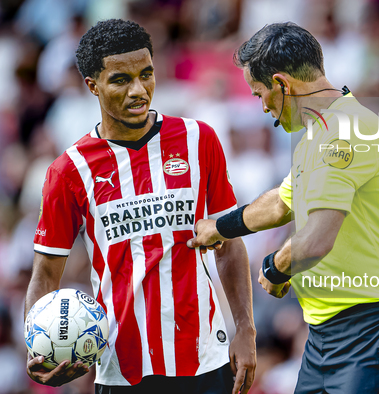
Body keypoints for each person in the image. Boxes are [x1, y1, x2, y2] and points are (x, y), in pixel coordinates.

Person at [188, 22, 379, 394]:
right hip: (325, 336)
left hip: (373, 326)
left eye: (259, 93)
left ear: (282, 84)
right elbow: (281, 203)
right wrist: (220, 226)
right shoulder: (319, 134)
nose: (262, 106)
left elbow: (316, 239)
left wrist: (275, 268)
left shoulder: (346, 130)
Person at [25, 19, 256, 394]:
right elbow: (46, 274)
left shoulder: (199, 140)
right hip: (121, 369)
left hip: (206, 359)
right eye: (120, 80)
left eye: (146, 74)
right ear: (92, 85)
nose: (139, 90)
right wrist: (37, 350)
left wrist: (245, 329)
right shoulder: (69, 170)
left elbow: (228, 244)